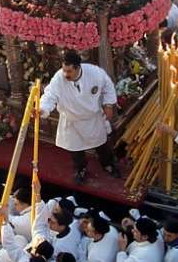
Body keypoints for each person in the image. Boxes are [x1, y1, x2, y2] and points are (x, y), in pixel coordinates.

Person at [40, 51, 119, 183]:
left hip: (92, 118)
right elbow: (50, 96)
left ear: (78, 68)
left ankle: (108, 164)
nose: (65, 74)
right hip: (72, 120)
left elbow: (108, 86)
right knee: (75, 150)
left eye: (69, 71)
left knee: (102, 145)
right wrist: (43, 109)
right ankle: (80, 169)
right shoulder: (58, 79)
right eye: (64, 70)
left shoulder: (95, 73)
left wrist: (109, 104)